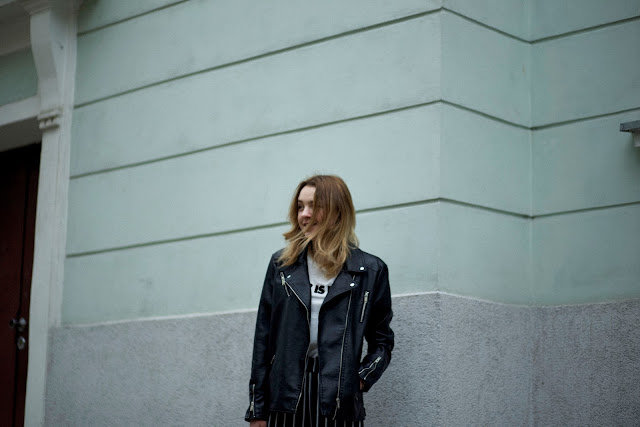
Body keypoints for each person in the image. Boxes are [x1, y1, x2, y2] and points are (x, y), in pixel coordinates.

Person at [245, 175, 394, 427]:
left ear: (338, 211)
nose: (304, 214)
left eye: (314, 206)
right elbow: (264, 340)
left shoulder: (370, 270)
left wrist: (359, 378)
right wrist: (256, 409)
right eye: (300, 207)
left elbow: (382, 340)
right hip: (285, 396)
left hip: (339, 399)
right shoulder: (282, 266)